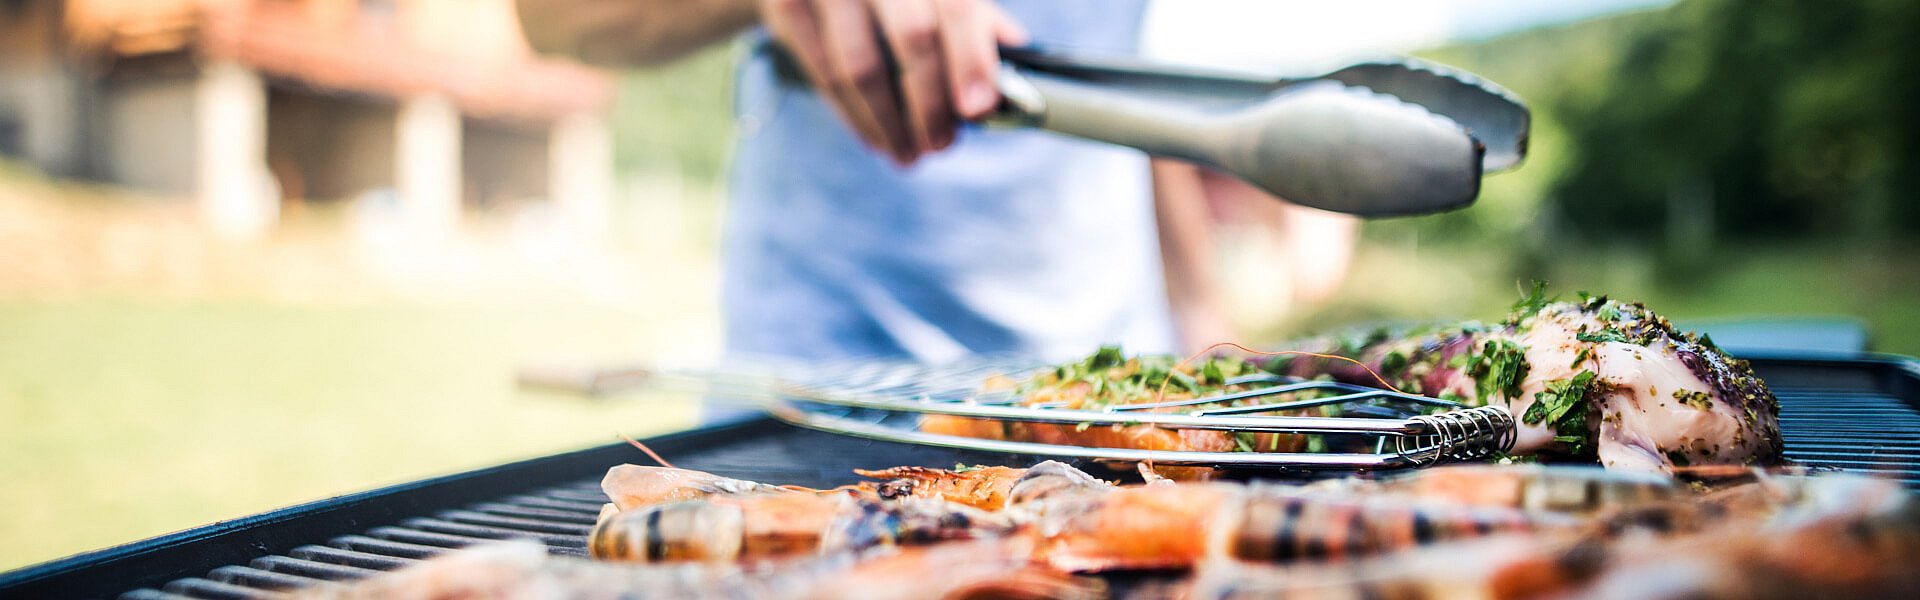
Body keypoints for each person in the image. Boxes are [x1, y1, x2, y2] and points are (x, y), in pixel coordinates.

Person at [516, 0, 1233, 365]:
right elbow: (551, 14)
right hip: (818, 381)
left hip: (1101, 382)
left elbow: (1121, 74)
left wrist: (1199, 310)